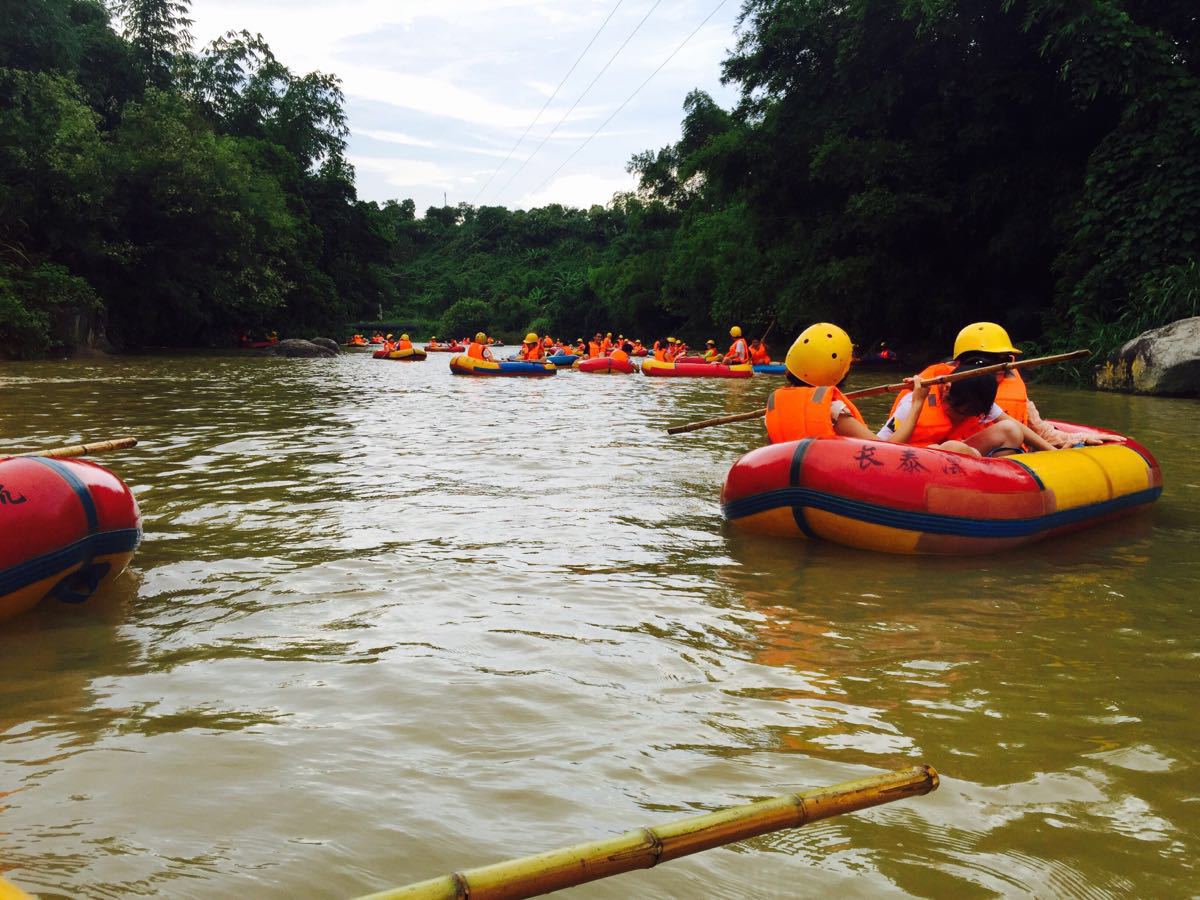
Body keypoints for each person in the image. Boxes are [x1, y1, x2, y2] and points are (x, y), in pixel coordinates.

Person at [945, 322, 1126, 448]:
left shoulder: (1016, 392)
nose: (1002, 367)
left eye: (1006, 360)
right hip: (965, 460)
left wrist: (1081, 438)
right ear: (964, 364)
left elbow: (1041, 432)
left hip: (1010, 459)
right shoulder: (949, 392)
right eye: (991, 361)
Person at [766, 323, 931, 443]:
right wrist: (917, 402)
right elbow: (887, 450)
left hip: (788, 480)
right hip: (820, 482)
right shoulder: (834, 410)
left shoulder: (774, 404)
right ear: (839, 372)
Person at [878, 350, 1056, 456]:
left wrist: (1053, 453)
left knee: (1011, 430)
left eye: (970, 414)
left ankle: (995, 481)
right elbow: (883, 448)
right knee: (953, 447)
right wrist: (917, 404)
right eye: (957, 410)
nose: (959, 417)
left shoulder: (976, 399)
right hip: (920, 459)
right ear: (946, 388)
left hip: (962, 459)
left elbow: (1018, 427)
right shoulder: (913, 400)